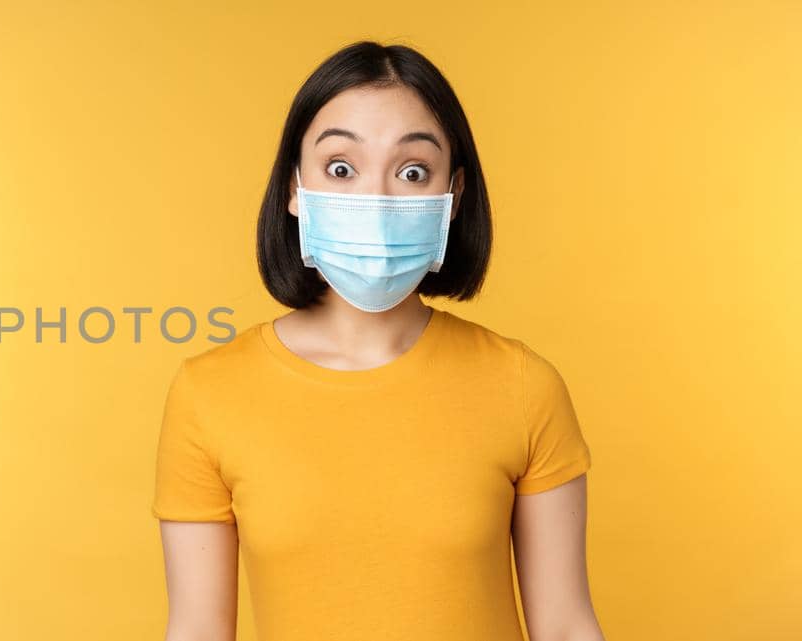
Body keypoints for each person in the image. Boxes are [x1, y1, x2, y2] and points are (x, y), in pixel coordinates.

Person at [151, 41, 603, 641]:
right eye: (341, 168)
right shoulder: (209, 393)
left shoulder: (523, 385)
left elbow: (567, 626)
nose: (377, 199)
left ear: (453, 196)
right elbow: (198, 631)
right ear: (293, 189)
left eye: (412, 172)